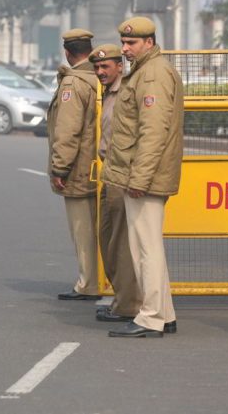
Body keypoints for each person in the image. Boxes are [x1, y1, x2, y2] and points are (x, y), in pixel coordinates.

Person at [102, 16, 183, 338]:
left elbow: (153, 132)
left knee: (145, 250)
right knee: (147, 248)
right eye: (123, 42)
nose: (125, 49)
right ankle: (164, 313)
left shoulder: (152, 75)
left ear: (149, 43)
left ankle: (150, 318)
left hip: (144, 177)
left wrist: (139, 178)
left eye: (131, 43)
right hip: (141, 174)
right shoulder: (147, 71)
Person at [89, 44, 142, 323]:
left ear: (120, 67)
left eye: (105, 67)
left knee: (120, 243)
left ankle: (128, 305)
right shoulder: (107, 94)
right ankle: (123, 299)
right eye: (97, 68)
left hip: (122, 173)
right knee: (107, 240)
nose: (100, 72)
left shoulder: (127, 94)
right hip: (108, 171)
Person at [47, 28, 101, 301]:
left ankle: (88, 284)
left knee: (83, 230)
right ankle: (104, 280)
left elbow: (67, 132)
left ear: (68, 53)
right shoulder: (102, 77)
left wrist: (60, 169)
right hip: (101, 166)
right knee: (101, 229)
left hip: (78, 169)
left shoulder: (73, 84)